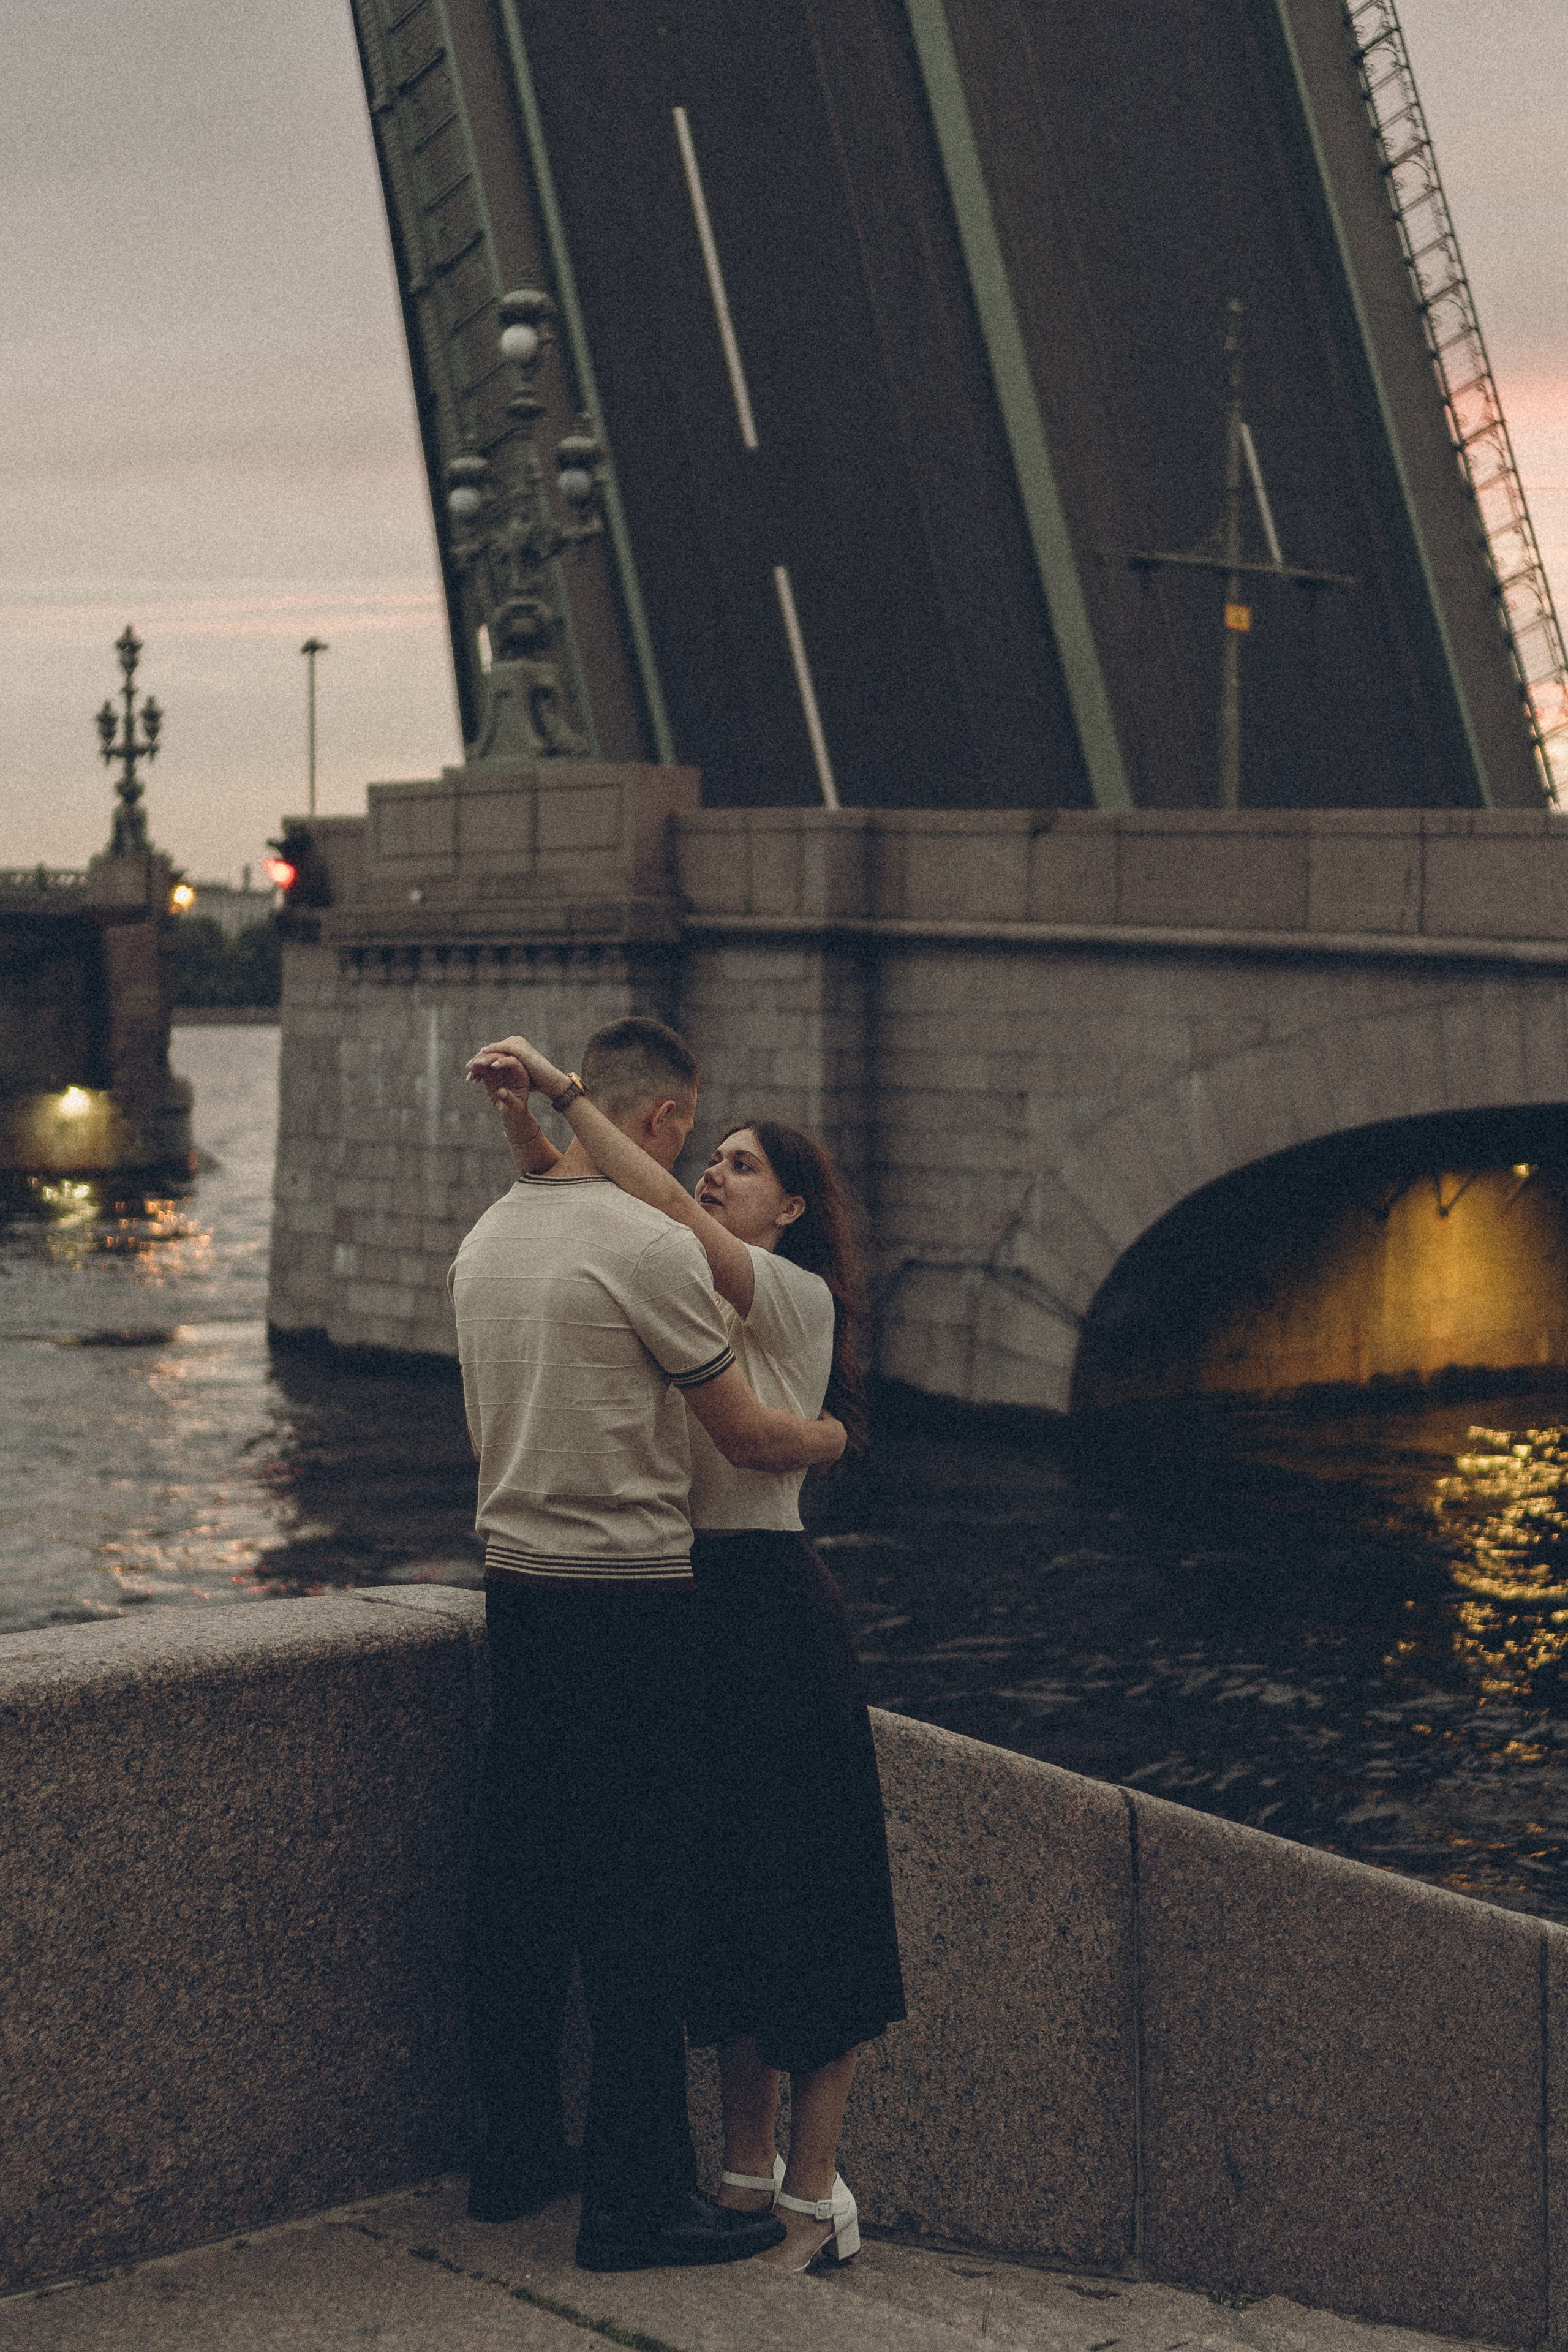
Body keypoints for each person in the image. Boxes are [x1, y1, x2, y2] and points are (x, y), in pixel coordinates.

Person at [468, 1031, 907, 2274]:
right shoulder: (674, 1284)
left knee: (785, 1888)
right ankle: (738, 2173)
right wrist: (527, 1129)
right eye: (708, 1154)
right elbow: (600, 1205)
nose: (711, 1176)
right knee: (702, 1896)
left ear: (794, 1207)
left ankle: (806, 2194)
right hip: (676, 1600)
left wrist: (561, 1095)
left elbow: (641, 1196)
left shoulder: (785, 1291)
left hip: (759, 1603)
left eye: (742, 1166)